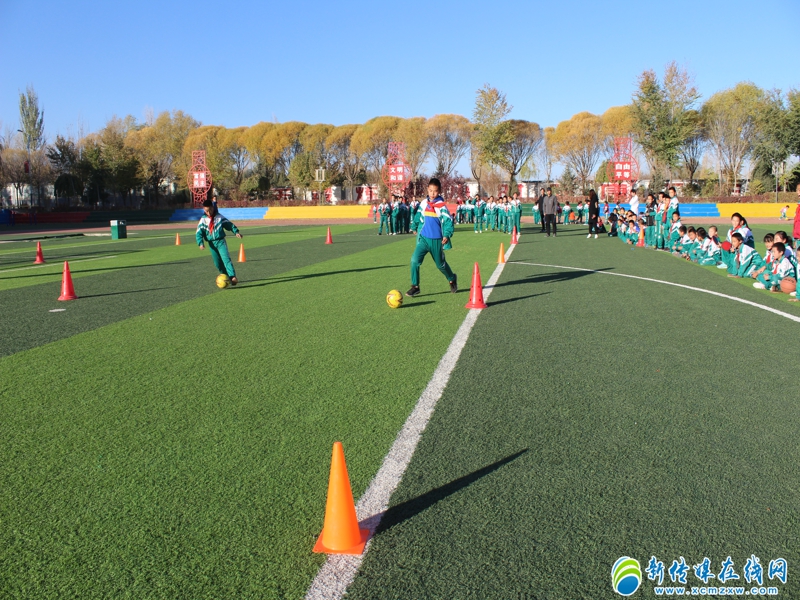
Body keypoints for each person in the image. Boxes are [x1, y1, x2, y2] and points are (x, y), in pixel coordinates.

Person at [406, 178, 457, 297]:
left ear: (439, 191)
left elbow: (448, 221)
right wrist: (414, 226)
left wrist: (446, 235)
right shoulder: (424, 203)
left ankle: (452, 278)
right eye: (430, 190)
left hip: (436, 241)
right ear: (427, 190)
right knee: (414, 260)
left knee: (440, 265)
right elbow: (418, 215)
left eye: (435, 191)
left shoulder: (441, 206)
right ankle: (415, 286)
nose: (432, 194)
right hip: (423, 239)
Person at [196, 199, 242, 286]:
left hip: (220, 242)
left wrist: (236, 232)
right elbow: (199, 233)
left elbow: (229, 225)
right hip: (211, 244)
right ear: (204, 210)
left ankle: (232, 277)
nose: (209, 213)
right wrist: (200, 243)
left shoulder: (219, 217)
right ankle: (226, 276)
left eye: (210, 210)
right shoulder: (203, 220)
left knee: (226, 259)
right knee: (218, 264)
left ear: (213, 208)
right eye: (206, 211)